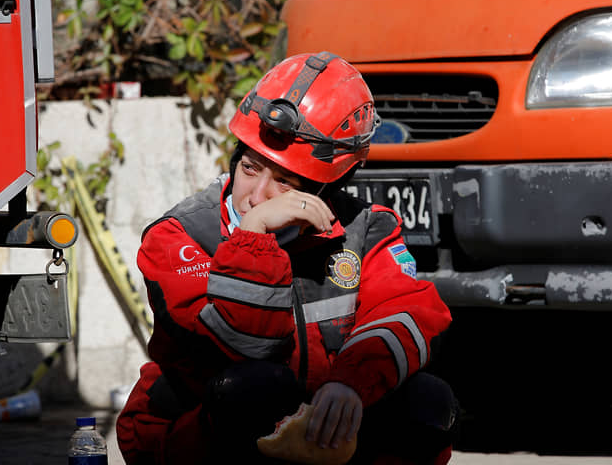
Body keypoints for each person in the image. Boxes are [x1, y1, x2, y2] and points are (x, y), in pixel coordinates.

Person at [117, 51, 458, 464]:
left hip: (309, 426)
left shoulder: (366, 230)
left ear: (325, 189)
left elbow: (408, 313)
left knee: (428, 401)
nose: (256, 196)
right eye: (249, 167)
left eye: (284, 181)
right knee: (256, 386)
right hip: (190, 433)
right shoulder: (180, 236)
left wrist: (350, 383)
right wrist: (254, 235)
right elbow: (246, 349)